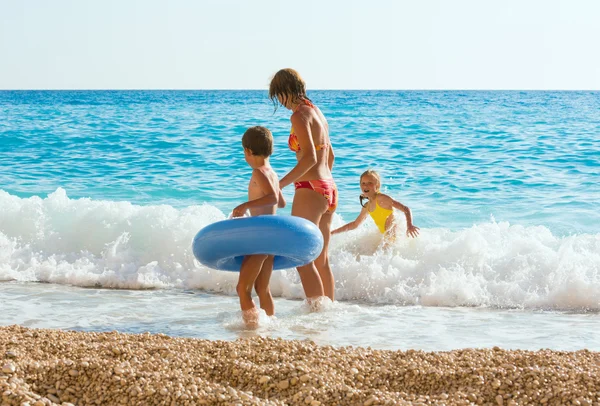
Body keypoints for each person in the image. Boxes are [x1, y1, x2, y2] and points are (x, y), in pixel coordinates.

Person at [269, 68, 337, 303]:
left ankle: (317, 315)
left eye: (279, 96)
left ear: (286, 91)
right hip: (329, 188)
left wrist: (279, 185)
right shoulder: (317, 112)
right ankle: (329, 313)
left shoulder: (298, 116)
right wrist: (323, 183)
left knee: (302, 257)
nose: (280, 101)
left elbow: (309, 158)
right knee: (321, 259)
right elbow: (331, 156)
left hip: (311, 187)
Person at [231, 126, 285, 328]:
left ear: (248, 151)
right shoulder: (272, 172)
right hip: (270, 237)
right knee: (263, 287)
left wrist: (245, 205)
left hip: (259, 237)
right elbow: (281, 203)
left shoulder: (259, 172)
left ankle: (253, 327)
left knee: (242, 288)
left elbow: (272, 197)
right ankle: (270, 324)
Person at [332, 170, 420, 246]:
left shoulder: (382, 198)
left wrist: (409, 225)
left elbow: (405, 209)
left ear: (377, 185)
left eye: (370, 183)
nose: (366, 186)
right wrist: (333, 232)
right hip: (386, 237)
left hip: (394, 237)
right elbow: (355, 224)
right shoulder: (367, 206)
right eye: (363, 183)